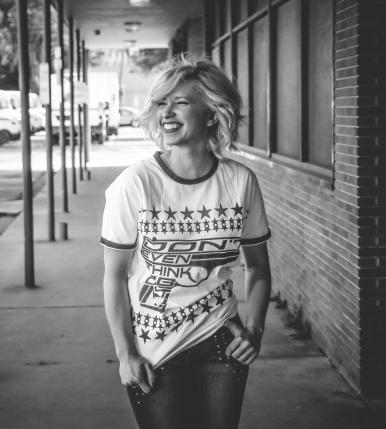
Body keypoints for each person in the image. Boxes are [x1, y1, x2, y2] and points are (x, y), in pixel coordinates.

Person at [101, 56, 272, 429]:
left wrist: (256, 330)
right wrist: (125, 354)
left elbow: (258, 268)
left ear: (212, 114)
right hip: (153, 349)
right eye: (162, 103)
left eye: (180, 102)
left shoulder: (240, 182)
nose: (167, 112)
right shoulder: (135, 184)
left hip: (222, 342)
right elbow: (114, 277)